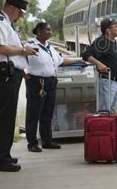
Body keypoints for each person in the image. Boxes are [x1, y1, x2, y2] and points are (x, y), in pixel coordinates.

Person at [0, 0, 38, 172]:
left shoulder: (7, 23)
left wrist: (21, 70)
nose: (20, 16)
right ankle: (0, 160)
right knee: (4, 118)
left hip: (9, 74)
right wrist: (24, 50)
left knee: (8, 117)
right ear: (10, 8)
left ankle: (4, 155)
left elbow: (9, 52)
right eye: (19, 12)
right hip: (3, 75)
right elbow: (0, 48)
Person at [24, 22, 83, 153]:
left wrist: (78, 60)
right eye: (47, 30)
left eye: (50, 30)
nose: (50, 32)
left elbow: (61, 61)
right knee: (34, 113)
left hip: (50, 82)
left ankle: (47, 140)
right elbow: (18, 60)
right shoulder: (30, 46)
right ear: (39, 31)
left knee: (47, 113)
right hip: (36, 83)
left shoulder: (50, 48)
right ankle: (32, 143)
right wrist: (24, 74)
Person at [82, 18, 117, 112]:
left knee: (111, 111)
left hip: (113, 82)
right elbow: (86, 55)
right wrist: (98, 64)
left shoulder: (113, 42)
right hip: (106, 82)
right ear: (108, 30)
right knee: (105, 111)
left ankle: (110, 127)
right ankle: (102, 127)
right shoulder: (101, 42)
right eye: (115, 26)